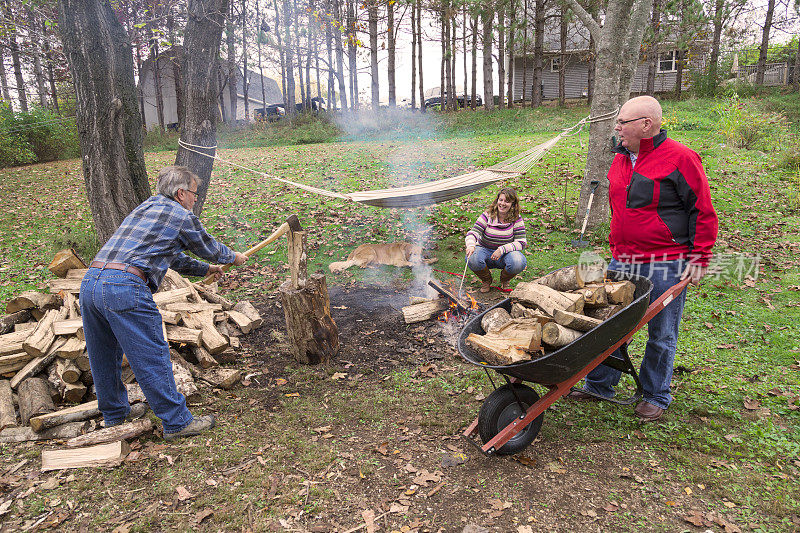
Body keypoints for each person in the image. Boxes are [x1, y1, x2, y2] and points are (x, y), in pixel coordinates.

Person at [567, 95, 718, 422]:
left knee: (661, 331)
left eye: (623, 122)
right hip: (624, 259)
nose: (617, 127)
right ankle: (600, 384)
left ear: (645, 125)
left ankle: (655, 395)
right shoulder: (620, 159)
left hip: (667, 261)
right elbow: (620, 210)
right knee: (609, 324)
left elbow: (703, 212)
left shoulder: (681, 158)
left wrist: (699, 258)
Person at [79, 166, 247, 440]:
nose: (196, 199)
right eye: (194, 193)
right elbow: (209, 247)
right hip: (123, 286)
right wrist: (231, 257)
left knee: (103, 355)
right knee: (151, 355)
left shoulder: (146, 208)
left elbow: (168, 255)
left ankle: (114, 414)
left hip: (91, 282)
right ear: (181, 193)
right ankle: (177, 422)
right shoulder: (180, 214)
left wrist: (204, 270)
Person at [465, 187, 527, 292]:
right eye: (501, 200)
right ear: (497, 200)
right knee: (472, 258)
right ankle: (486, 280)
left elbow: (521, 242)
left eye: (507, 201)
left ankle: (504, 279)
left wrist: (502, 249)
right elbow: (473, 232)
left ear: (513, 204)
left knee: (518, 261)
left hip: (505, 254)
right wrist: (471, 245)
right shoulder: (487, 215)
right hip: (484, 250)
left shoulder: (516, 218)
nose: (502, 203)